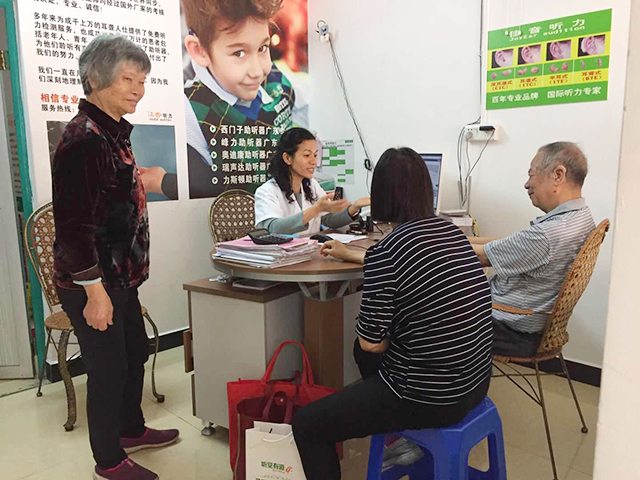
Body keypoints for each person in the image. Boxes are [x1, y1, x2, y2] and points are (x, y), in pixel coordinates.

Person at [291, 147, 493, 480]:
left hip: (432, 398)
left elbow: (371, 343)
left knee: (307, 424)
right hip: (477, 382)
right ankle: (397, 430)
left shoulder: (387, 252)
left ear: (381, 194)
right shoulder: (454, 234)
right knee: (372, 349)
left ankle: (401, 429)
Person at [52, 34, 179, 480]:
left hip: (121, 277)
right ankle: (108, 459)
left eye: (142, 81)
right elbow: (73, 228)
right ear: (95, 77)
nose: (138, 90)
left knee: (134, 353)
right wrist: (93, 292)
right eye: (128, 79)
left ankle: (130, 428)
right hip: (94, 282)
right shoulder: (83, 139)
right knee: (106, 370)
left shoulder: (112, 132)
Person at [469, 142, 595, 357]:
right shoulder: (580, 218)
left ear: (558, 175)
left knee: (422, 308)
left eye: (531, 174)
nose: (527, 184)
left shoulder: (547, 235)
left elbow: (479, 257)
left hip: (509, 329)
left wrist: (429, 240)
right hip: (532, 325)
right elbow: (510, 244)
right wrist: (458, 237)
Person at [182, 0, 299, 199]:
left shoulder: (279, 82)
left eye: (263, 48)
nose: (257, 71)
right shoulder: (190, 112)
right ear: (200, 50)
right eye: (239, 53)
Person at [254, 127, 370, 234]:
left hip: (312, 248)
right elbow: (273, 228)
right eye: (306, 155)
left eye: (315, 155)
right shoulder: (266, 191)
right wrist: (316, 209)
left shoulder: (312, 185)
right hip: (280, 250)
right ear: (287, 158)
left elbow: (328, 219)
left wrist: (354, 208)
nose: (313, 162)